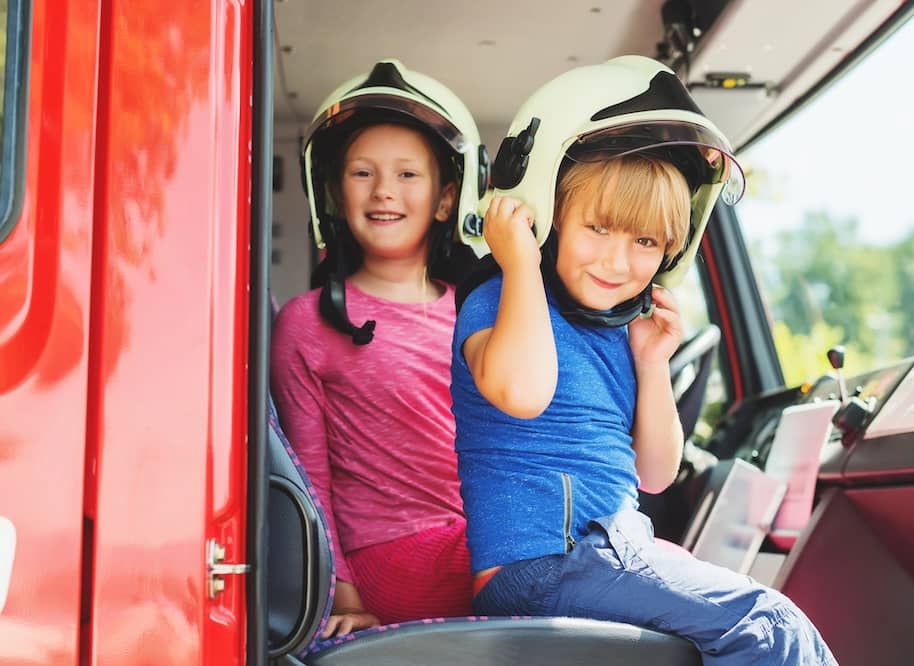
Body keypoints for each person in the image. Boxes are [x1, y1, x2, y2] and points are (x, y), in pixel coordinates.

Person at [451, 55, 837, 664]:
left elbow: (655, 474)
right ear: (546, 216)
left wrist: (653, 363)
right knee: (767, 624)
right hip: (540, 565)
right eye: (599, 228)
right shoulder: (499, 301)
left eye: (646, 241)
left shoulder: (621, 332)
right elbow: (523, 391)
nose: (618, 261)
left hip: (611, 548)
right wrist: (520, 260)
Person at [271, 60, 489, 638]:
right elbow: (306, 475)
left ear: (446, 200)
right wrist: (340, 594)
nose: (384, 190)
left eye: (407, 174)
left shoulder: (477, 315)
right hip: (390, 559)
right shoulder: (308, 322)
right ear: (336, 196)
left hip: (477, 543)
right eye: (362, 173)